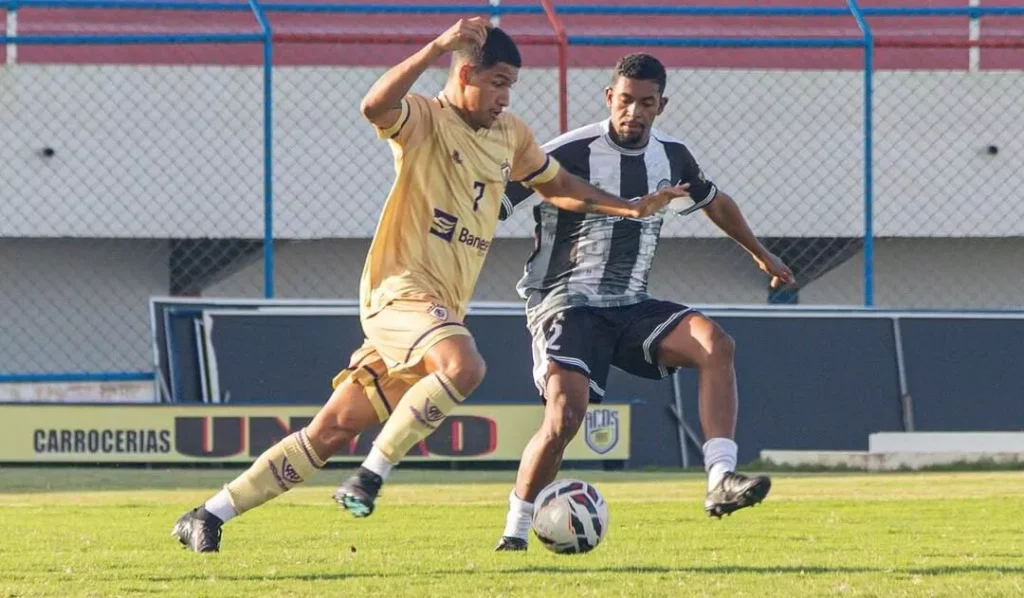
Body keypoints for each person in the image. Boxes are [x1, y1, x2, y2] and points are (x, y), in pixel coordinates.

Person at [171, 22, 689, 553]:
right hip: (399, 292)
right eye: (497, 82)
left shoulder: (511, 133)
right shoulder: (425, 117)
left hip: (434, 311)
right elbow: (373, 108)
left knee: (329, 430)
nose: (505, 96)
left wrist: (626, 206)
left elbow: (555, 183)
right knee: (465, 366)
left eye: (511, 85)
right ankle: (371, 475)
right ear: (465, 73)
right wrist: (436, 46)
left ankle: (208, 514)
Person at [493, 53, 796, 551]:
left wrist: (761, 254)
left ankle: (720, 476)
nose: (633, 111)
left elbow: (713, 201)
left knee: (714, 343)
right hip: (566, 303)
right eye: (625, 100)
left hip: (631, 304)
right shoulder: (567, 152)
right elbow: (497, 202)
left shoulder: (672, 157)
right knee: (565, 418)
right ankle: (517, 527)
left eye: (646, 103)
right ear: (610, 97)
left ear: (661, 105)